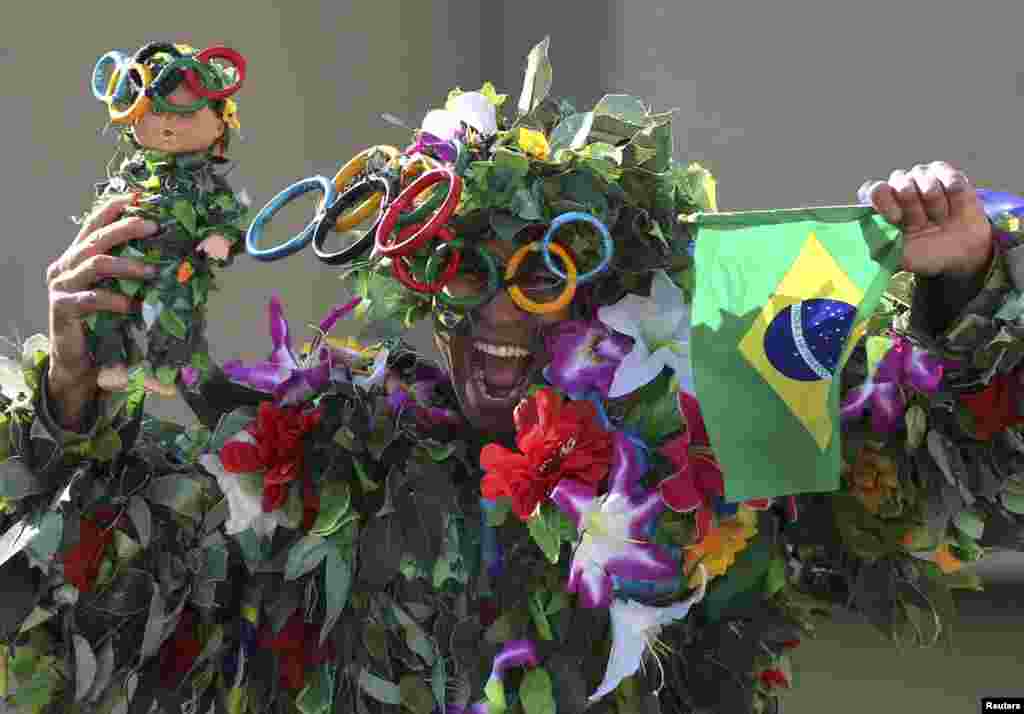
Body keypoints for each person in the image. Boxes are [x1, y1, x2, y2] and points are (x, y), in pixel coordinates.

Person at [10, 39, 1022, 714]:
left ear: (603, 292)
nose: (499, 312)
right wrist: (70, 394)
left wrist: (965, 283)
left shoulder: (701, 458)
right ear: (417, 287)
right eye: (463, 267)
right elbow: (104, 617)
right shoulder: (310, 459)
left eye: (544, 272)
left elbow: (923, 485)